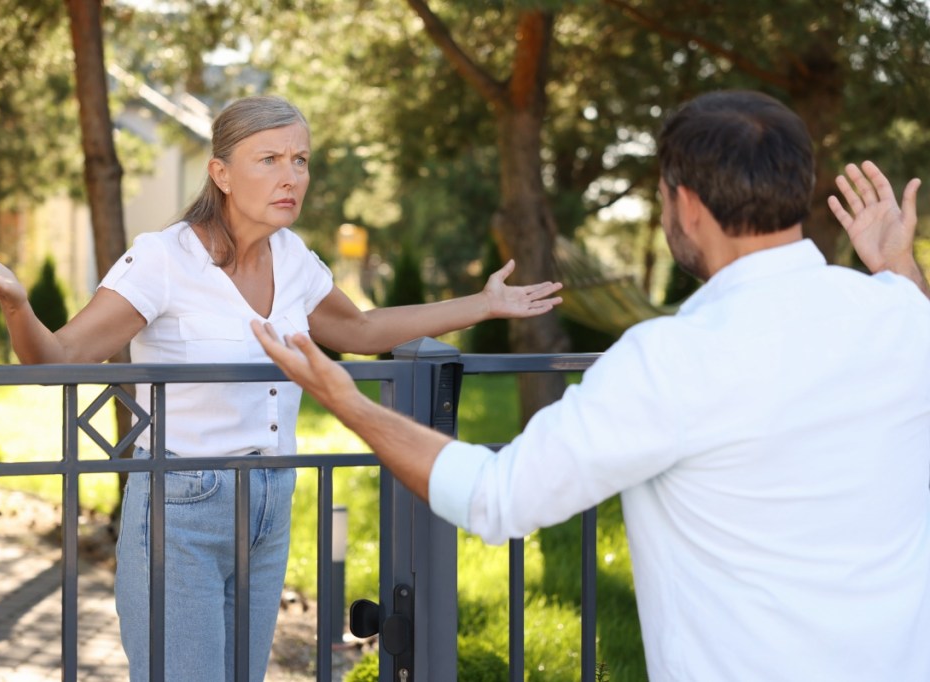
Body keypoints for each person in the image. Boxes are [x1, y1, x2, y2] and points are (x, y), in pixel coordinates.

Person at [253, 90, 930, 681]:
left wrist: (347, 401)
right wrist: (900, 270)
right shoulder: (900, 314)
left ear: (685, 205)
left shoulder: (673, 359)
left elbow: (496, 497)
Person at [0, 94, 563, 681]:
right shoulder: (163, 259)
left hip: (271, 499)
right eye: (269, 160)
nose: (291, 176)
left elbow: (363, 329)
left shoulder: (294, 258)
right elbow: (61, 359)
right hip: (182, 503)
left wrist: (481, 305)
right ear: (222, 174)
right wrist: (18, 306)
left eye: (300, 160)